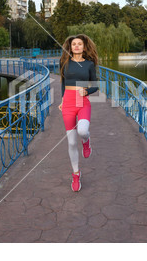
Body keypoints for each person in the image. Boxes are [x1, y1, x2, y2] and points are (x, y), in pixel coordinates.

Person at [58, 34, 99, 192]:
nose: (76, 46)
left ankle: (87, 141)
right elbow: (62, 82)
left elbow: (96, 85)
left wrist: (87, 90)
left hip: (83, 102)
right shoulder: (64, 62)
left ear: (84, 47)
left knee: (82, 130)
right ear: (70, 47)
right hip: (68, 102)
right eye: (73, 44)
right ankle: (76, 174)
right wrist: (62, 100)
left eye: (79, 44)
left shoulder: (89, 64)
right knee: (71, 142)